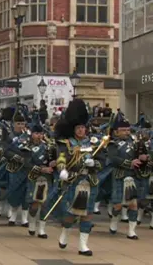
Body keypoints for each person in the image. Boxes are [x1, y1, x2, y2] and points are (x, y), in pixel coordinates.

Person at [53, 98, 102, 256]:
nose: (81, 130)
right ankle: (65, 233)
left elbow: (103, 160)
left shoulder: (93, 143)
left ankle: (83, 246)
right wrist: (62, 170)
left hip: (90, 181)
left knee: (87, 214)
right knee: (70, 215)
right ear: (73, 129)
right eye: (78, 128)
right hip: (72, 180)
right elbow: (61, 158)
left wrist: (94, 164)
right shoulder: (66, 143)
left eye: (83, 127)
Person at [107, 110, 142, 239]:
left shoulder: (135, 142)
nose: (126, 132)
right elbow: (113, 158)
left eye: (128, 130)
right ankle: (114, 219)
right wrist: (129, 163)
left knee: (133, 204)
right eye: (123, 130)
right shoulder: (112, 143)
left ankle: (131, 231)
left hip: (132, 176)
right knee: (118, 204)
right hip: (119, 175)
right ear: (116, 131)